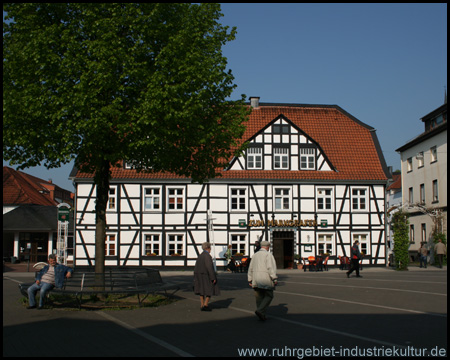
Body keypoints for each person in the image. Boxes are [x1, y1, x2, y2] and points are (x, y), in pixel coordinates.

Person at [248, 240, 278, 321]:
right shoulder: (268, 255)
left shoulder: (255, 255)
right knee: (269, 295)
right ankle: (260, 311)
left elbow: (250, 267)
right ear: (267, 247)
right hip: (265, 278)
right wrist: (274, 278)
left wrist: (250, 279)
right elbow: (270, 267)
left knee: (259, 297)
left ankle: (262, 314)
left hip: (256, 278)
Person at [194, 242, 220, 311]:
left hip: (199, 275)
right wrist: (213, 277)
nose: (210, 249)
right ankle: (205, 304)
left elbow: (196, 266)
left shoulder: (200, 255)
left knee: (201, 290)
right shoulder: (207, 256)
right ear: (208, 248)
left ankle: (202, 304)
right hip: (206, 275)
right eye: (210, 248)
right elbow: (209, 267)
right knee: (210, 289)